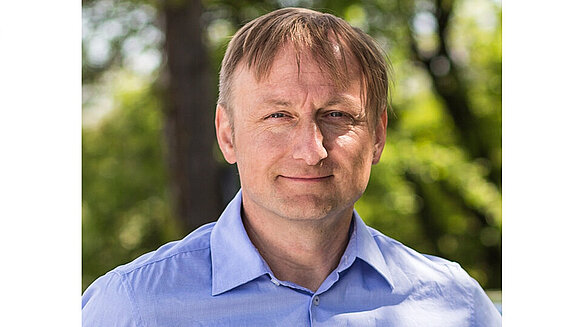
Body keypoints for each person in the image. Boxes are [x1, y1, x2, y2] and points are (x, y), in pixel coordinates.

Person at [82, 7, 501, 326]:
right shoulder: (132, 307)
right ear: (227, 134)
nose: (311, 149)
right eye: (278, 116)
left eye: (336, 115)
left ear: (377, 135)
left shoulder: (455, 304)